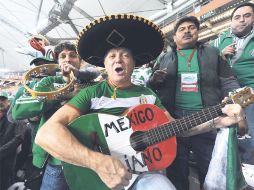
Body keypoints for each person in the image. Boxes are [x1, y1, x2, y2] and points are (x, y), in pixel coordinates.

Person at [34, 14, 246, 190]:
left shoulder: (149, 95)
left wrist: (217, 121)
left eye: (125, 55)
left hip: (142, 174)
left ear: (134, 63)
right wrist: (98, 162)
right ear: (105, 65)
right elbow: (45, 135)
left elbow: (177, 128)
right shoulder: (92, 93)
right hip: (96, 175)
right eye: (112, 56)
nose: (118, 60)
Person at [148, 16, 243, 190]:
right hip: (173, 118)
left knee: (209, 165)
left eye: (191, 28)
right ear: (174, 36)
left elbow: (229, 81)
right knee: (177, 167)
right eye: (182, 29)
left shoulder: (213, 54)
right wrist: (153, 80)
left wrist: (235, 100)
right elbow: (151, 87)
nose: (187, 31)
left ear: (197, 33)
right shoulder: (164, 58)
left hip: (207, 117)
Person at [11, 41, 100, 190]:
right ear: (57, 61)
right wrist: (60, 95)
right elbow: (18, 111)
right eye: (62, 56)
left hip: (89, 156)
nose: (67, 59)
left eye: (73, 56)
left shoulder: (92, 84)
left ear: (80, 61)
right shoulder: (48, 82)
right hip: (57, 159)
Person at [212, 2, 254, 166]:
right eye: (237, 17)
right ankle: (228, 165)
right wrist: (221, 54)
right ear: (231, 22)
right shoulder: (220, 40)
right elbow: (208, 63)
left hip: (249, 93)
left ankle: (246, 167)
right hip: (223, 93)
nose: (241, 20)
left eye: (247, 15)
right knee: (225, 133)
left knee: (247, 132)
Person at [0, 91, 26, 190]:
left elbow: (18, 138)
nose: (0, 102)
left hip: (8, 159)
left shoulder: (15, 116)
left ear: (9, 102)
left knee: (6, 183)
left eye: (3, 100)